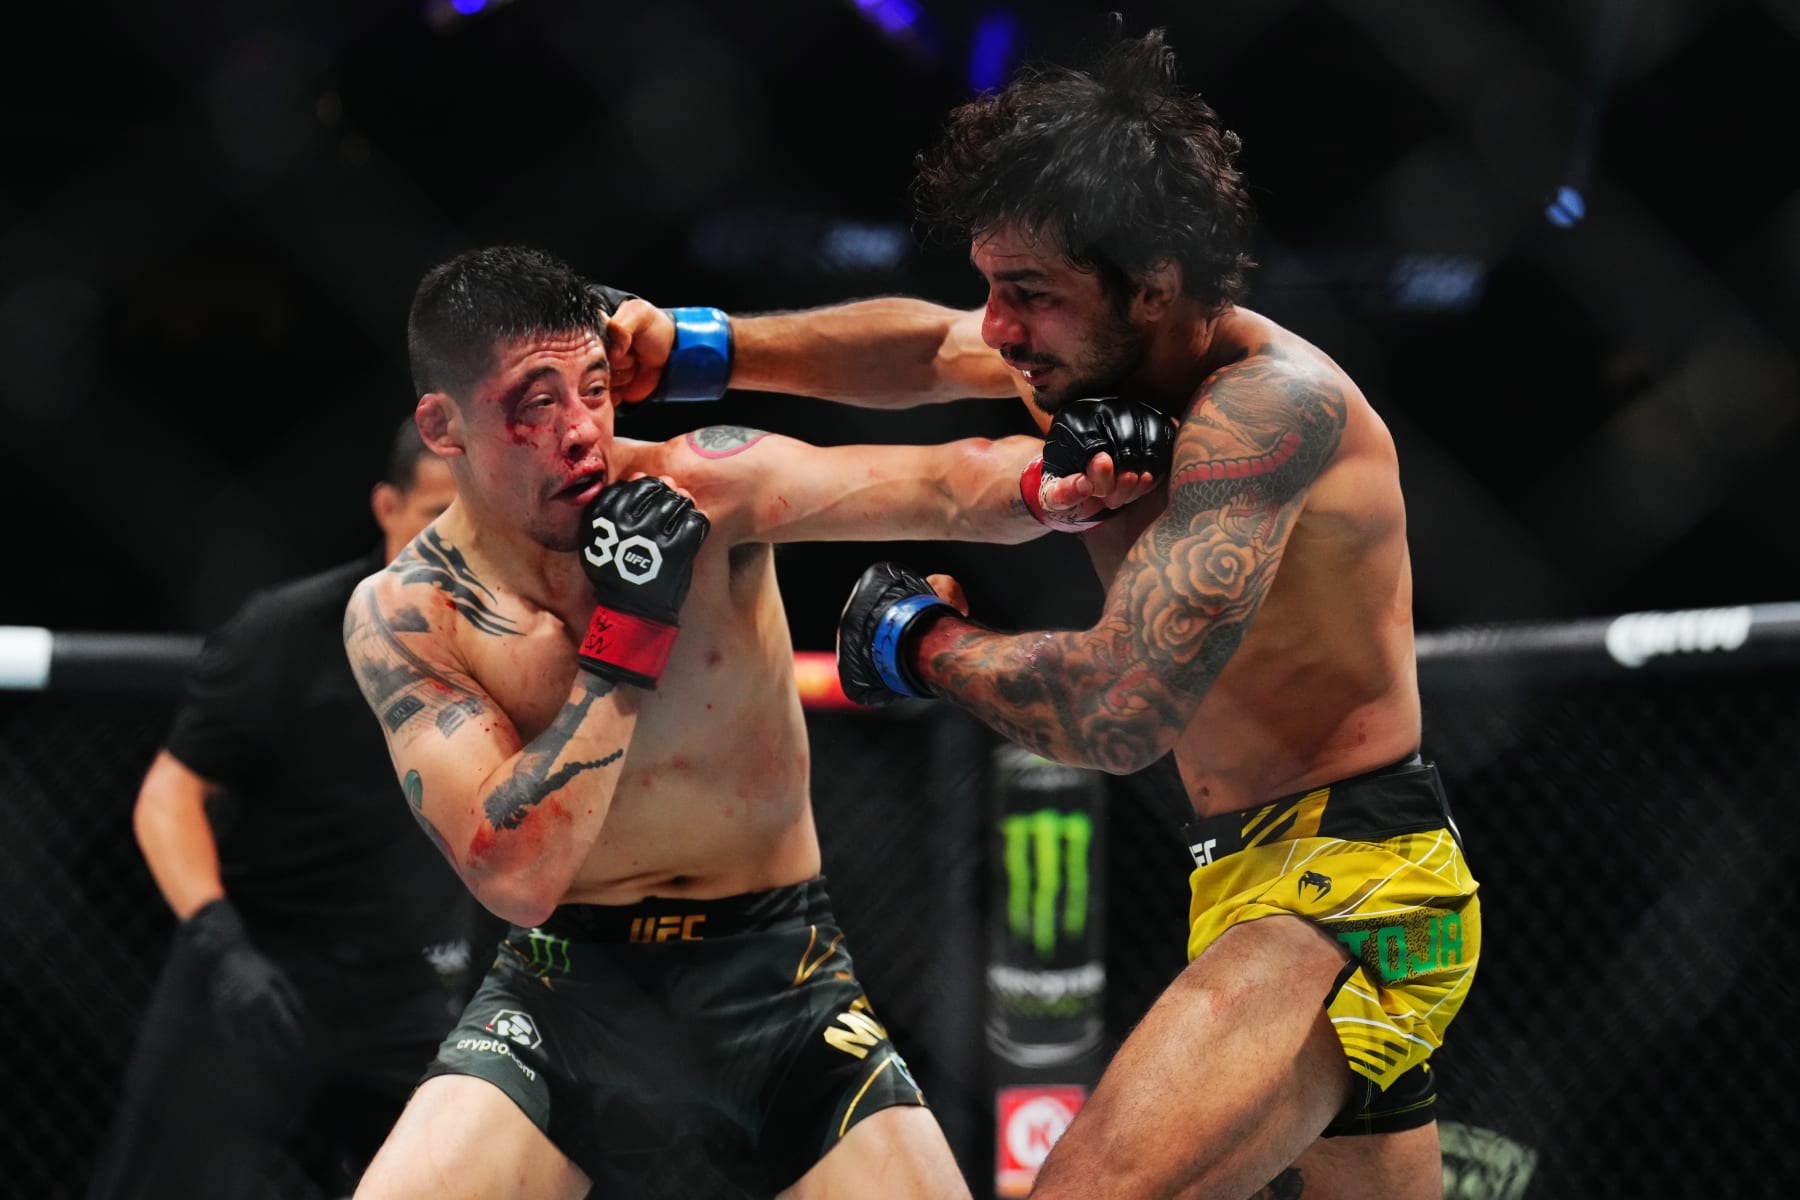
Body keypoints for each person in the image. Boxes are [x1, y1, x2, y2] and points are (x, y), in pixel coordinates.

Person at [611, 24, 1481, 1200]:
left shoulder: (1271, 417)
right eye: (992, 287)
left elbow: (1121, 713)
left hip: (1353, 885)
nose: (1000, 327)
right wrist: (694, 349)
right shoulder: (1089, 355)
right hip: (1251, 875)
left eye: (1029, 294)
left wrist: (921, 640)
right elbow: (921, 347)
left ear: (1157, 284)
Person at [339, 245, 1161, 1200]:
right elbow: (517, 876)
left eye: (595, 389)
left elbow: (938, 484)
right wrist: (627, 636)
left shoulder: (702, 487)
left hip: (780, 974)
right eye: (533, 403)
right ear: (443, 425)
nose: (581, 434)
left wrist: (1065, 482)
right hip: (567, 989)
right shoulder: (410, 611)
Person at [89, 419, 499, 1200]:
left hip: (408, 991)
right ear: (387, 506)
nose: (450, 547)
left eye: (473, 524)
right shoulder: (288, 633)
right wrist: (221, 946)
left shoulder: (512, 646)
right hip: (256, 972)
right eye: (432, 517)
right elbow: (169, 796)